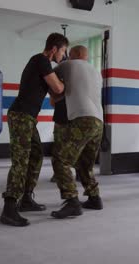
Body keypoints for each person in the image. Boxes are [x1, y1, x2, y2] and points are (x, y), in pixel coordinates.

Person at [0, 33, 68, 227]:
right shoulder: (41, 60)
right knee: (21, 160)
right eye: (63, 51)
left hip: (27, 117)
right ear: (54, 49)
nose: (63, 56)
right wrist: (65, 80)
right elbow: (58, 88)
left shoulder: (42, 63)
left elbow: (55, 96)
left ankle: (26, 198)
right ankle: (9, 208)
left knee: (36, 155)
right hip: (21, 115)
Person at [50, 45, 104, 219]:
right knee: (84, 163)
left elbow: (53, 88)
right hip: (99, 121)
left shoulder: (67, 65)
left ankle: (71, 201)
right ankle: (94, 198)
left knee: (60, 159)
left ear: (74, 55)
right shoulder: (96, 72)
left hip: (82, 118)